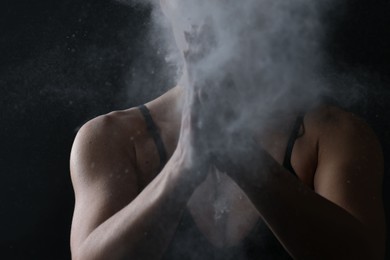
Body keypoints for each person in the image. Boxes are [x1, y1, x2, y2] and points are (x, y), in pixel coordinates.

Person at [69, 1, 386, 259]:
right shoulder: (112, 138)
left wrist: (249, 164)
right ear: (162, 7)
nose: (215, 15)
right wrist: (182, 168)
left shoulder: (331, 135)